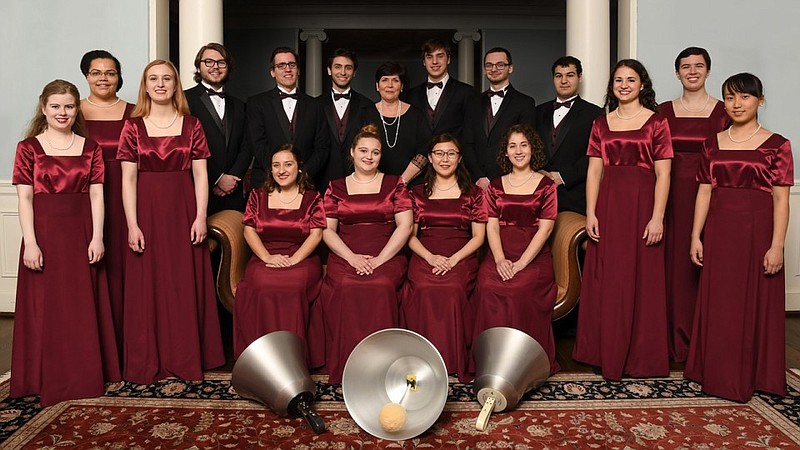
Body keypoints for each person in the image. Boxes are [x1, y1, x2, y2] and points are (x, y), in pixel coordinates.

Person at [11, 80, 119, 406]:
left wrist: (97, 236)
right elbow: (24, 199)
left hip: (81, 232)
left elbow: (98, 195)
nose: (63, 112)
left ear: (76, 110)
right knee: (46, 306)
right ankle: (41, 376)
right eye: (56, 106)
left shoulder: (90, 148)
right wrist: (30, 243)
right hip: (43, 234)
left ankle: (84, 375)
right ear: (43, 108)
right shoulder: (28, 148)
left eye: (69, 106)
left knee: (80, 305)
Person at [685, 73, 793, 402]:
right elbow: (704, 192)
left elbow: (781, 200)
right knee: (721, 303)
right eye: (730, 97)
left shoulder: (778, 144)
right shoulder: (713, 142)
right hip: (719, 232)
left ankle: (755, 374)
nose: (736, 104)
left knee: (753, 302)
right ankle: (714, 372)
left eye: (744, 97)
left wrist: (777, 246)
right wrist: (695, 236)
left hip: (758, 234)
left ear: (760, 101)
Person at [117, 60, 224, 385]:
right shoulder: (133, 127)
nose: (160, 84)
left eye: (167, 78)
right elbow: (128, 180)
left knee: (181, 282)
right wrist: (132, 225)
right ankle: (150, 357)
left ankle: (186, 356)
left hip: (183, 209)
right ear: (145, 85)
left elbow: (201, 176)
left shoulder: (191, 124)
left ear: (175, 85)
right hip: (147, 212)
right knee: (149, 283)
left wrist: (199, 216)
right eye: (154, 78)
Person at [573, 59, 673, 380]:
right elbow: (594, 171)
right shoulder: (601, 123)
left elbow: (664, 173)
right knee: (609, 277)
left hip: (643, 206)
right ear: (612, 86)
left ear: (642, 84)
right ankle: (604, 351)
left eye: (631, 79)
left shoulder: (657, 123)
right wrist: (591, 212)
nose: (624, 85)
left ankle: (640, 355)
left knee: (642, 277)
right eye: (618, 80)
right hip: (609, 205)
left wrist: (657, 217)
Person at [318, 124, 413, 384]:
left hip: (387, 253)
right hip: (345, 254)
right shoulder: (335, 186)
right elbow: (327, 231)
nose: (369, 156)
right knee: (347, 285)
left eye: (375, 152)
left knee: (380, 284)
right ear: (352, 152)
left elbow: (405, 226)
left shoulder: (395, 184)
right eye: (363, 151)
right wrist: (352, 258)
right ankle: (348, 366)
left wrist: (381, 259)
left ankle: (384, 366)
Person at [658, 47, 730, 363]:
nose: (692, 71)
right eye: (685, 67)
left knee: (705, 266)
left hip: (711, 196)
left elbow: (733, 156)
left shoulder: (725, 111)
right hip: (670, 196)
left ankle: (704, 342)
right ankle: (672, 339)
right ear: (677, 73)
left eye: (698, 66)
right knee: (672, 268)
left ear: (708, 71)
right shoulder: (661, 111)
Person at [469, 124, 559, 374]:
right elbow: (492, 227)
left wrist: (520, 264)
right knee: (488, 286)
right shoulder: (495, 186)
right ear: (505, 153)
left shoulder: (546, 185)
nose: (518, 151)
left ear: (532, 149)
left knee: (518, 288)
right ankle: (491, 361)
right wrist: (499, 260)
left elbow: (546, 230)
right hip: (500, 252)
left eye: (523, 145)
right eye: (512, 146)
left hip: (534, 255)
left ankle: (521, 363)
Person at [401, 134, 486, 379]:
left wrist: (454, 259)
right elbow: (410, 235)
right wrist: (430, 258)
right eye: (439, 153)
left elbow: (478, 237)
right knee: (425, 286)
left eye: (451, 153)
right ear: (429, 158)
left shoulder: (473, 194)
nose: (444, 159)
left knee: (452, 288)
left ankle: (451, 361)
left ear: (459, 159)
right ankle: (423, 359)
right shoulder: (416, 193)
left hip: (461, 255)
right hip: (425, 254)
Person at [233, 145, 326, 363]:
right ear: (270, 170)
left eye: (288, 164)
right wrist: (266, 257)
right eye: (276, 165)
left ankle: (292, 359)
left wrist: (294, 260)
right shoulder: (257, 196)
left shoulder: (312, 198)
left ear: (299, 169)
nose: (281, 170)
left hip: (301, 257)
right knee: (264, 283)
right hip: (265, 255)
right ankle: (264, 359)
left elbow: (316, 235)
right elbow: (249, 230)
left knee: (292, 286)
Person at [80, 49, 134, 357]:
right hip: (85, 198)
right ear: (86, 76)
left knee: (124, 268)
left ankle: (126, 345)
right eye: (97, 72)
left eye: (110, 73)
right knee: (93, 268)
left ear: (119, 77)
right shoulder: (73, 112)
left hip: (125, 195)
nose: (103, 78)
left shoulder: (135, 111)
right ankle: (94, 346)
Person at [246, 47, 329, 189]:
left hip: (306, 183)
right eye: (281, 66)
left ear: (298, 71)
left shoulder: (315, 105)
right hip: (266, 181)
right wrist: (280, 172)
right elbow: (257, 144)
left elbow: (322, 146)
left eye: (292, 65)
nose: (287, 69)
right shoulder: (256, 103)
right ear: (273, 72)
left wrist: (302, 173)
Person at [185, 42, 251, 214]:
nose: (215, 67)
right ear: (198, 67)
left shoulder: (239, 105)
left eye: (221, 62)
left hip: (232, 192)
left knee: (234, 239)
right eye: (209, 62)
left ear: (228, 67)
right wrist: (217, 178)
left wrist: (233, 177)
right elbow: (184, 146)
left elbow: (247, 145)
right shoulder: (184, 100)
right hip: (197, 189)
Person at [535, 56, 604, 214]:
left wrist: (563, 176)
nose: (564, 80)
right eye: (559, 76)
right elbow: (530, 146)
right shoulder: (538, 111)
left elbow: (595, 154)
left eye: (570, 75)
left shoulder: (594, 113)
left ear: (580, 78)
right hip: (538, 194)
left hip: (574, 197)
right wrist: (539, 172)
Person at [462, 47, 537, 189]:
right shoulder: (473, 102)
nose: (494, 69)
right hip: (476, 182)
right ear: (484, 69)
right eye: (489, 65)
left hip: (511, 180)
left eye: (500, 65)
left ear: (510, 68)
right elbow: (467, 143)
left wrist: (498, 179)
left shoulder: (525, 103)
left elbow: (524, 145)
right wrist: (479, 177)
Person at [365, 62, 431, 185]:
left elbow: (424, 152)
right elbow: (360, 151)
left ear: (401, 87)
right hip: (373, 184)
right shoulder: (365, 114)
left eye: (395, 80)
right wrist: (381, 183)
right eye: (384, 80)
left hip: (411, 185)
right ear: (377, 86)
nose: (390, 85)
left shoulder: (417, 114)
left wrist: (401, 182)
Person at [317, 48, 373, 190]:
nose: (343, 72)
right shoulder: (315, 104)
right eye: (338, 67)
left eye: (348, 68)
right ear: (329, 70)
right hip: (321, 179)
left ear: (354, 73)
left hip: (357, 179)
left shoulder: (367, 105)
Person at [403, 38, 477, 141]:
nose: (434, 62)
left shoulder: (466, 92)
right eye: (429, 57)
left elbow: (471, 133)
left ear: (448, 59)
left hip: (453, 155)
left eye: (440, 56)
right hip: (420, 156)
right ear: (424, 62)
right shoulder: (411, 95)